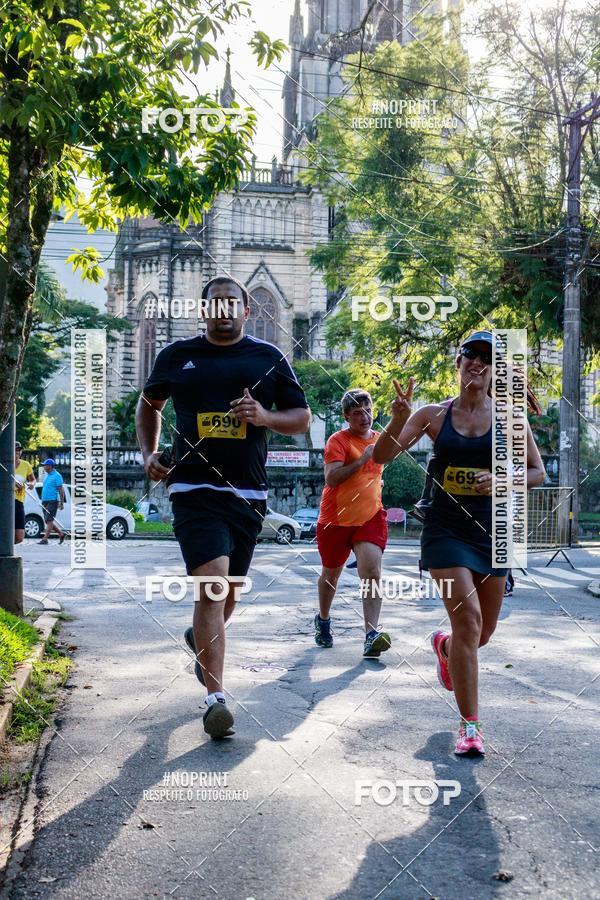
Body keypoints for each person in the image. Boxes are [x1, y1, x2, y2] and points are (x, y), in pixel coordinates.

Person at [136, 276, 310, 740]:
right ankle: (216, 699)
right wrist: (149, 453)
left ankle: (200, 639)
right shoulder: (176, 355)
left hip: (248, 494)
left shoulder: (268, 358)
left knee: (228, 592)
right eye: (216, 303)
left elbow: (301, 417)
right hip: (193, 488)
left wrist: (264, 416)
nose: (224, 310)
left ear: (246, 311)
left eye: (233, 303)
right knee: (212, 585)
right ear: (204, 310)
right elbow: (149, 404)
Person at [373, 331, 545, 757]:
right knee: (468, 620)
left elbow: (536, 472)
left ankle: (445, 647)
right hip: (445, 532)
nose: (478, 363)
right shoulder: (432, 415)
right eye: (471, 355)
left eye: (488, 358)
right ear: (459, 362)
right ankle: (470, 727)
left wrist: (503, 479)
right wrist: (397, 418)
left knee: (481, 634)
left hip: (494, 533)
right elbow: (381, 456)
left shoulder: (510, 419)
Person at [314, 383, 412, 658]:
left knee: (371, 571)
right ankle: (323, 619)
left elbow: (402, 441)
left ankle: (371, 634)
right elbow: (331, 478)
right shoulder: (338, 440)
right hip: (335, 519)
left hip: (370, 516)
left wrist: (402, 416)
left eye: (368, 410)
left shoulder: (380, 438)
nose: (364, 417)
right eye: (357, 412)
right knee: (330, 575)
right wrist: (361, 461)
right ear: (347, 416)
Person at [39, 459, 66, 545]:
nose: (44, 466)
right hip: (44, 500)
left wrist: (61, 502)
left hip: (52, 500)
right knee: (47, 521)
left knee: (49, 519)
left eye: (45, 465)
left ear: (50, 466)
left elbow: (61, 490)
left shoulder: (57, 476)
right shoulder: (46, 475)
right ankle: (61, 534)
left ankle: (45, 539)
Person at [14, 442, 35, 544]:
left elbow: (32, 479)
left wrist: (31, 484)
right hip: (5, 502)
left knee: (19, 537)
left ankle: (4, 547)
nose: (17, 452)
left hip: (19, 501)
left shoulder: (26, 465)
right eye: (15, 450)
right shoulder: (4, 464)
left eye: (19, 450)